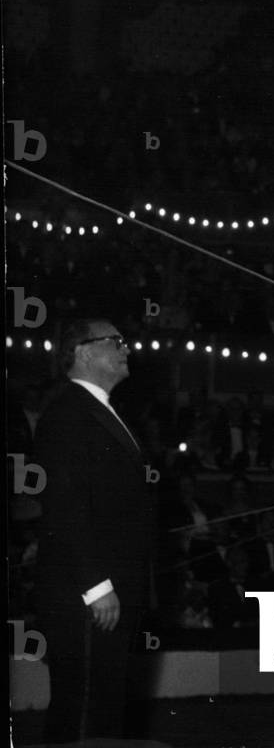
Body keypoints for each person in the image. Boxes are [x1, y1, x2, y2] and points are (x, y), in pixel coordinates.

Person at [33, 318, 153, 744]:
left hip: (106, 588)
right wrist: (96, 585)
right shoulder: (68, 412)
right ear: (83, 352)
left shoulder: (98, 410)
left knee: (100, 707)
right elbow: (64, 506)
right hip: (88, 595)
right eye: (116, 341)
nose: (126, 349)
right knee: (83, 710)